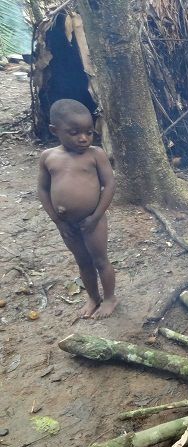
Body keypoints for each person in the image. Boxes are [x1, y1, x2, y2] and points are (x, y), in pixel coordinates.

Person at [37, 99, 117, 319]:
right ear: (55, 130)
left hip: (93, 220)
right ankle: (93, 297)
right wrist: (58, 221)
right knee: (82, 261)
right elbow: (43, 190)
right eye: (74, 132)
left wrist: (96, 216)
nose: (83, 138)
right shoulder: (48, 157)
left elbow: (109, 184)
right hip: (67, 224)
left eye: (89, 132)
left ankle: (110, 298)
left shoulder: (95, 154)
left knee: (100, 260)